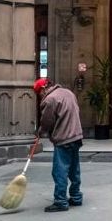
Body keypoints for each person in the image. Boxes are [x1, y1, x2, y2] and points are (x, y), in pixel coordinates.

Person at [33, 77, 84, 212]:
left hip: (64, 138)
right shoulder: (68, 92)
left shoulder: (50, 100)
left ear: (43, 89)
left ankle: (61, 201)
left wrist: (40, 132)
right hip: (76, 136)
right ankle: (76, 196)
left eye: (39, 93)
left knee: (60, 171)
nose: (40, 96)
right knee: (74, 169)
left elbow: (47, 122)